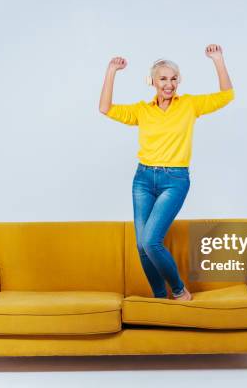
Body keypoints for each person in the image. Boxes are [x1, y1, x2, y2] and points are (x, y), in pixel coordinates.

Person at [98, 44, 234, 301]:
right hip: (143, 179)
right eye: (163, 78)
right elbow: (105, 108)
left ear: (179, 81)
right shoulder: (142, 110)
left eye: (173, 79)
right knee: (141, 246)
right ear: (152, 82)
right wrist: (111, 71)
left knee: (151, 241)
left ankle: (180, 290)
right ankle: (161, 298)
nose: (169, 84)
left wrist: (217, 59)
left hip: (175, 180)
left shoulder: (190, 105)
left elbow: (227, 95)